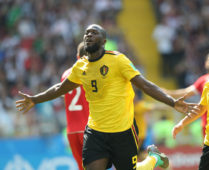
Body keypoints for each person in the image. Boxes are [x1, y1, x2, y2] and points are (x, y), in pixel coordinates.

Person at [16, 24, 197, 170]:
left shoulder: (118, 60)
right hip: (95, 132)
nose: (88, 36)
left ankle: (153, 159)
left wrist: (172, 102)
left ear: (103, 41)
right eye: (86, 33)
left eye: (93, 33)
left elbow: (145, 85)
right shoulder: (81, 67)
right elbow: (60, 88)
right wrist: (35, 99)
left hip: (123, 131)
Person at [165, 51, 209, 137]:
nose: (208, 63)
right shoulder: (204, 80)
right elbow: (186, 93)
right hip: (207, 124)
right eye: (208, 60)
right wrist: (167, 92)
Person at [61, 42, 89, 170]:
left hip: (71, 130)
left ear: (77, 55)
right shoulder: (91, 73)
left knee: (81, 167)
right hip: (88, 129)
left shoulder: (65, 74)